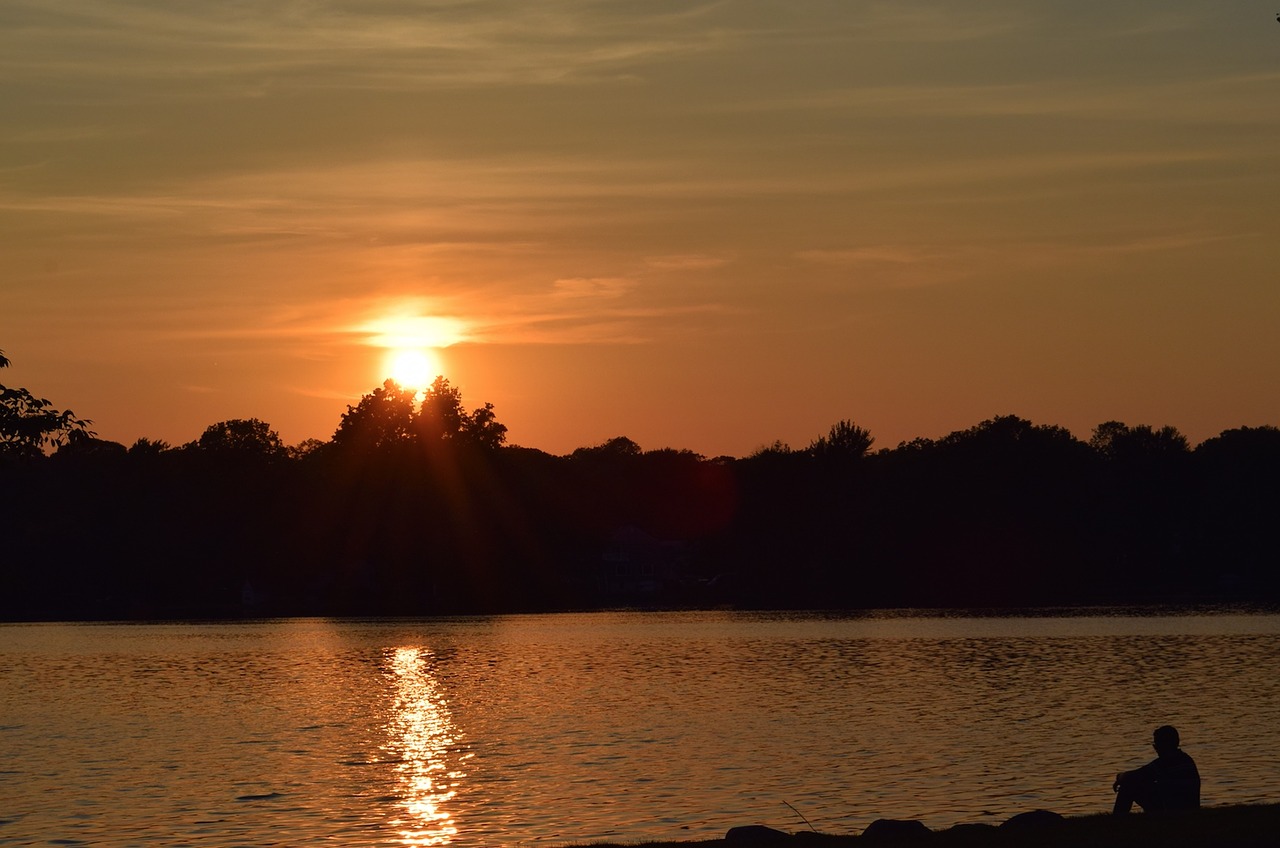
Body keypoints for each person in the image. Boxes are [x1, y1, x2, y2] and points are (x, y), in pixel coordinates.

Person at [1112, 725, 1201, 814]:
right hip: (1188, 807)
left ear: (1163, 745)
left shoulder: (1165, 762)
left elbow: (1136, 775)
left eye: (1156, 745)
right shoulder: (1186, 760)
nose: (1156, 749)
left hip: (1173, 810)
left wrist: (1120, 777)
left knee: (1129, 785)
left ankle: (1117, 820)